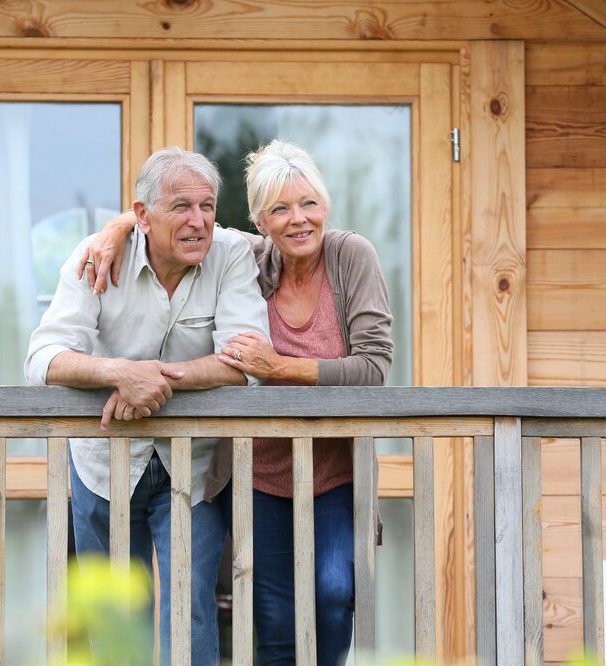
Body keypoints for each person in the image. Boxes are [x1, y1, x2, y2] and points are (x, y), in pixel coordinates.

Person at [80, 139, 393, 666]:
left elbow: (374, 367)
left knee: (335, 596)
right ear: (260, 222)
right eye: (281, 209)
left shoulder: (351, 256)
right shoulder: (245, 257)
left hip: (334, 472)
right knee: (273, 622)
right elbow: (177, 221)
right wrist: (116, 228)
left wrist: (278, 367)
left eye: (309, 203)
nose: (299, 219)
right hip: (257, 475)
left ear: (325, 205)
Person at [25, 147, 270, 665]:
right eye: (181, 206)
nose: (198, 221)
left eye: (207, 206)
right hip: (102, 462)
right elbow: (43, 358)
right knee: (116, 623)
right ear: (142, 215)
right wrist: (119, 373)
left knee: (190, 613)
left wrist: (155, 381)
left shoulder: (231, 254)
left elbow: (247, 361)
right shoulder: (94, 256)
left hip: (194, 464)